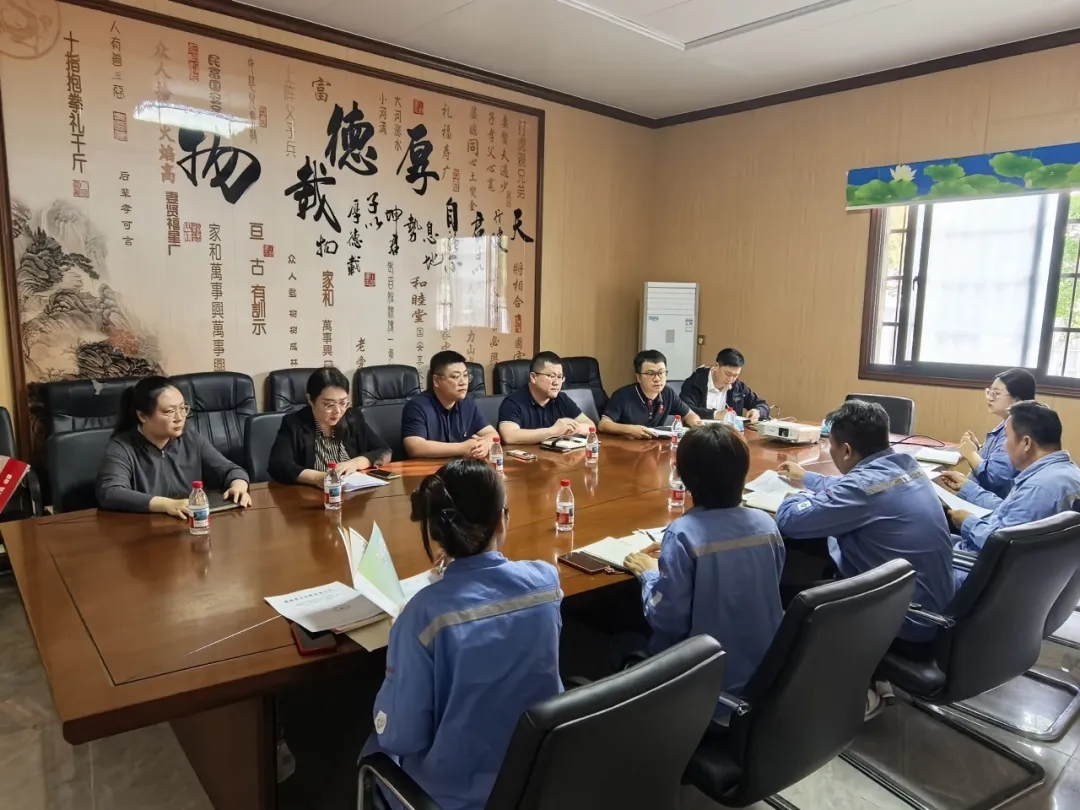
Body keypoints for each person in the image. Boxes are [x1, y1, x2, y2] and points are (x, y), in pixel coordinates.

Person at [365, 459, 562, 810]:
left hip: (451, 799)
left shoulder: (421, 617)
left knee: (372, 749)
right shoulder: (546, 582)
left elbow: (401, 737)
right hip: (539, 781)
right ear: (501, 520)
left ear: (437, 533)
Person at [623, 423, 785, 715]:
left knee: (615, 642)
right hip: (765, 680)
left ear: (681, 474)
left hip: (704, 688)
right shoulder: (767, 525)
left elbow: (668, 620)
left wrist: (648, 573)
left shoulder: (683, 535)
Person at [775, 400, 954, 649]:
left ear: (847, 450)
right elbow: (860, 488)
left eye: (831, 446)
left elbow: (790, 520)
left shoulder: (861, 488)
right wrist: (808, 478)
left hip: (902, 624)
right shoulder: (907, 466)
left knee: (785, 594)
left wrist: (797, 496)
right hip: (930, 609)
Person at [96, 376, 251, 515]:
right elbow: (110, 492)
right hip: (145, 527)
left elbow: (230, 469)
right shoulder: (122, 447)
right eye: (169, 411)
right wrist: (166, 504)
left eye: (182, 408)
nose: (179, 417)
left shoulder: (190, 438)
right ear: (142, 416)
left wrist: (238, 486)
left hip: (189, 523)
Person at [941, 401, 1080, 553]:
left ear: (1026, 443)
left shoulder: (1039, 488)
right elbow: (1011, 511)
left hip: (975, 561)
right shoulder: (1065, 473)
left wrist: (967, 522)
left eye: (1007, 437)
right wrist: (968, 489)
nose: (1005, 445)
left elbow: (1003, 544)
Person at [268, 367, 390, 486]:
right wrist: (317, 478)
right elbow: (278, 465)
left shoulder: (353, 418)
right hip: (311, 495)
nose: (338, 411)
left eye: (343, 403)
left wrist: (356, 463)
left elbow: (384, 450)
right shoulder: (294, 423)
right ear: (310, 399)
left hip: (351, 493)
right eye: (329, 404)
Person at [956, 369, 1036, 499]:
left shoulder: (1017, 431)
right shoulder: (1007, 422)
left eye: (996, 393)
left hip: (988, 503)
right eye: (989, 392)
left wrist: (971, 454)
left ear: (1017, 400)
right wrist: (979, 450)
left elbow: (994, 478)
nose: (990, 397)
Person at [402, 351, 498, 459]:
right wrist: (462, 448)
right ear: (436, 381)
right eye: (455, 377)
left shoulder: (468, 404)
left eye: (465, 375)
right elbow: (415, 447)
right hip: (430, 467)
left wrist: (485, 444)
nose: (463, 382)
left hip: (461, 467)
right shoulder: (417, 406)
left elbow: (492, 434)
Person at [599, 350, 701, 439]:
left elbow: (689, 414)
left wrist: (695, 422)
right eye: (650, 373)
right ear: (638, 377)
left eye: (661, 373)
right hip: (626, 446)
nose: (657, 379)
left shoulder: (667, 393)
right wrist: (630, 429)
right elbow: (604, 424)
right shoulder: (622, 396)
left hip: (654, 446)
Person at [497, 351, 595, 444]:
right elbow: (509, 436)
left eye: (560, 377)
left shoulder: (562, 399)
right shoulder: (513, 403)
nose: (556, 382)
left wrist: (575, 428)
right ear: (533, 377)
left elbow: (590, 425)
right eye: (551, 376)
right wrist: (553, 431)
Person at [680, 348, 770, 423]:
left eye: (736, 375)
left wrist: (757, 411)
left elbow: (762, 405)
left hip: (728, 434)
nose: (731, 379)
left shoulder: (738, 387)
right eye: (728, 374)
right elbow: (684, 409)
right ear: (716, 366)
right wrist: (715, 415)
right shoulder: (695, 382)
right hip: (699, 432)